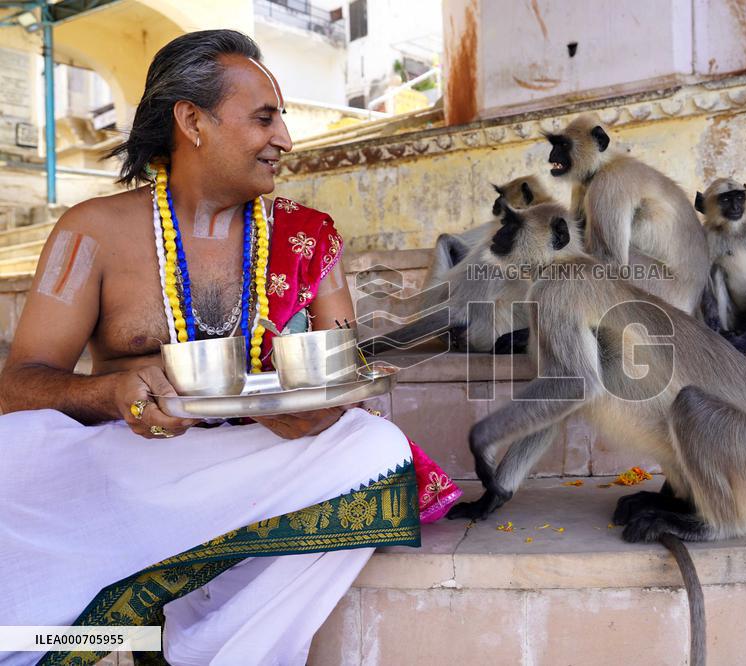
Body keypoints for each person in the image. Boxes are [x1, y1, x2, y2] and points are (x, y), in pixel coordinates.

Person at [0, 30, 456, 665]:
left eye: (283, 121)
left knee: (376, 450)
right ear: (192, 120)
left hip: (259, 462)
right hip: (137, 468)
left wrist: (316, 409)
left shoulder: (306, 239)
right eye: (264, 119)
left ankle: (212, 652)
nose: (286, 141)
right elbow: (17, 386)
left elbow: (343, 372)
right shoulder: (90, 233)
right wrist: (110, 393)